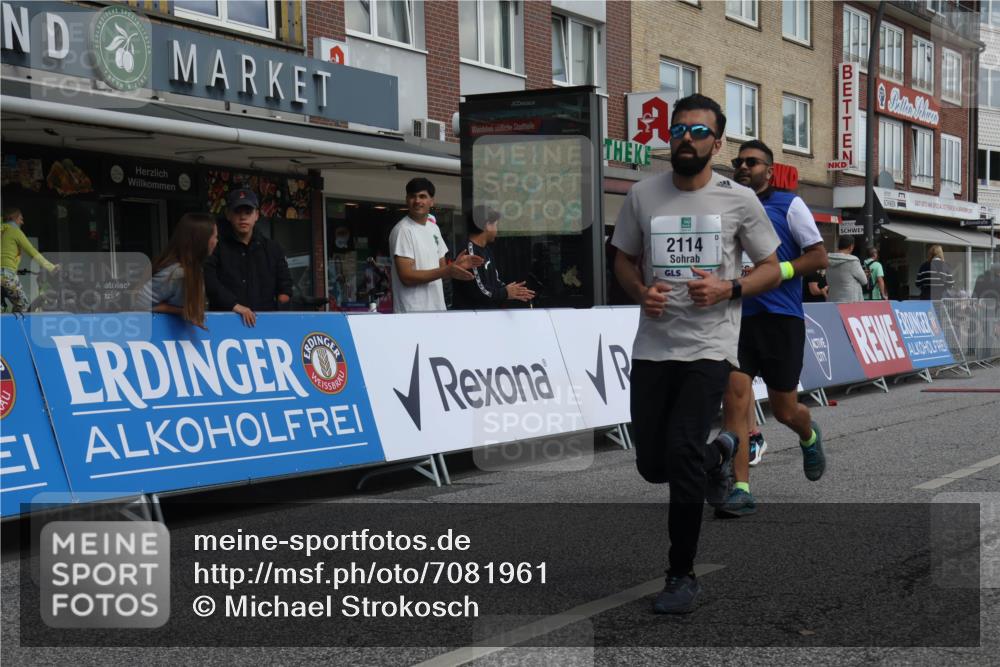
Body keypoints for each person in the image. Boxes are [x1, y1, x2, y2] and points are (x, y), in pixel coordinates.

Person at [611, 94, 781, 614]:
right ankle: (721, 452)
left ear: (718, 143)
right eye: (679, 129)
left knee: (681, 451)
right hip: (653, 346)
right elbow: (623, 259)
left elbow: (771, 267)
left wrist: (730, 288)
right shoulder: (642, 194)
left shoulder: (739, 200)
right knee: (653, 465)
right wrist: (641, 291)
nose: (687, 138)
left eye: (700, 131)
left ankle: (681, 575)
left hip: (709, 347)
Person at [717, 140, 828, 518]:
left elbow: (818, 256)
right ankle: (741, 489)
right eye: (739, 161)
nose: (743, 167)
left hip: (781, 320)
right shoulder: (727, 208)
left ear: (770, 169)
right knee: (735, 397)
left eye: (752, 162)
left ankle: (808, 436)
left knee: (784, 410)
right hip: (738, 318)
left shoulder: (789, 204)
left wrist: (775, 271)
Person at [389, 177, 482, 313]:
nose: (417, 201)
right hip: (412, 314)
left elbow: (442, 271)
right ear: (406, 200)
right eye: (413, 196)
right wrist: (447, 270)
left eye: (422, 196)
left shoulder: (434, 228)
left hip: (437, 311)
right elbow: (406, 277)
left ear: (432, 201)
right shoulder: (403, 230)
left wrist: (456, 266)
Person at [205, 189, 292, 327]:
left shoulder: (273, 249)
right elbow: (209, 283)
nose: (243, 217)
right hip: (224, 324)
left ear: (256, 215)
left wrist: (278, 313)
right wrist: (235, 306)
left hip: (265, 325)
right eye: (237, 212)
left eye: (248, 212)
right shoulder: (215, 247)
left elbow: (285, 287)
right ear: (228, 214)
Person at [137, 213, 218, 328]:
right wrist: (180, 311)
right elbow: (139, 304)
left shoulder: (193, 268)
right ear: (202, 240)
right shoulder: (177, 273)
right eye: (214, 237)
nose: (216, 241)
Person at [452, 206, 535, 309]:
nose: (497, 230)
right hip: (472, 315)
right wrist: (505, 292)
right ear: (488, 226)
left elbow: (495, 281)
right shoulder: (469, 252)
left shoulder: (486, 249)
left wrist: (512, 290)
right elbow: (480, 291)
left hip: (488, 314)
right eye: (496, 225)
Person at [1, 207, 58, 312]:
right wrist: (51, 267)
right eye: (20, 219)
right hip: (6, 275)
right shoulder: (14, 231)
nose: (22, 222)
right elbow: (32, 252)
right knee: (23, 307)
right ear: (14, 218)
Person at [826, 235, 867, 303]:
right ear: (851, 246)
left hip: (833, 299)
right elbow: (864, 281)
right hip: (850, 301)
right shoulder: (853, 261)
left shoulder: (828, 260)